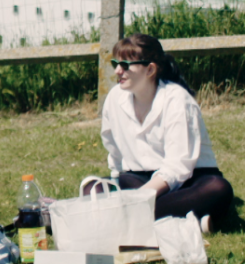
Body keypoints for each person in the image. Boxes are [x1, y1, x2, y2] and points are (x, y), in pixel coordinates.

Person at [94, 34, 234, 232]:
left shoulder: (177, 100)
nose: (118, 71)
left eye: (126, 65)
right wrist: (118, 185)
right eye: (116, 63)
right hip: (140, 178)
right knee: (97, 188)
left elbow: (178, 166)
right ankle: (186, 220)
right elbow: (114, 149)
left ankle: (127, 218)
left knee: (218, 189)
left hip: (190, 179)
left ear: (150, 69)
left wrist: (137, 199)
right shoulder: (114, 98)